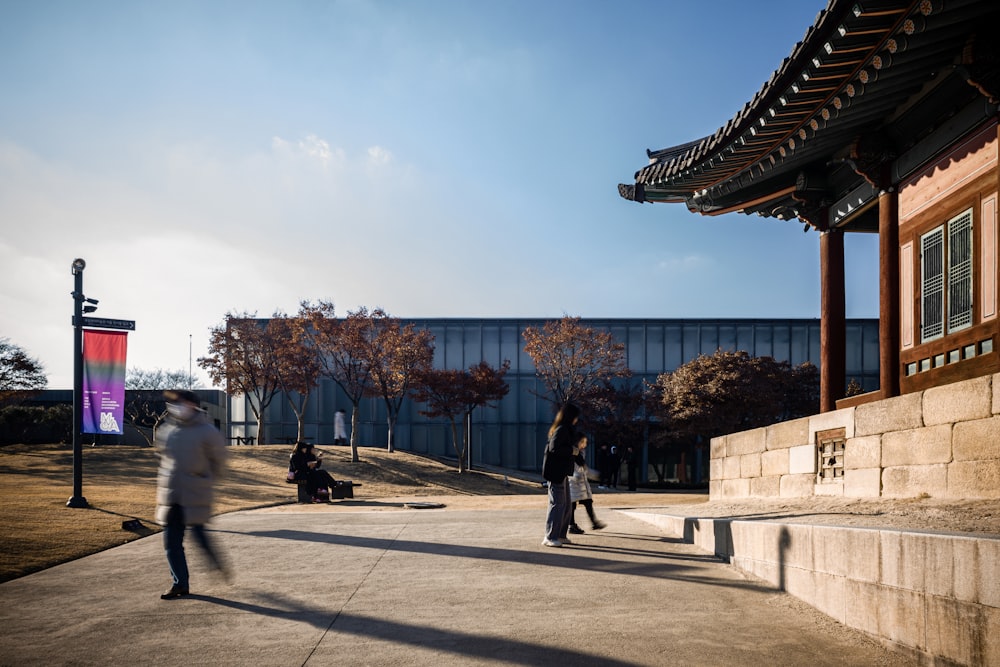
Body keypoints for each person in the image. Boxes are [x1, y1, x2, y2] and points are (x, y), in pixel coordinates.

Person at [155, 389, 229, 600]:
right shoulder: (167, 430)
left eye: (180, 402)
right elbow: (163, 460)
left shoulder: (207, 431)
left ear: (192, 405)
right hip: (172, 495)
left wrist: (205, 481)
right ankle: (180, 583)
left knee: (199, 536)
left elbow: (220, 461)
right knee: (171, 543)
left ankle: (216, 564)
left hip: (196, 493)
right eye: (173, 403)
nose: (175, 406)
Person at [541, 402, 580, 547]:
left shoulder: (565, 429)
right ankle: (550, 536)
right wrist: (572, 450)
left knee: (566, 504)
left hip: (561, 472)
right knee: (557, 504)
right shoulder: (561, 429)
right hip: (555, 472)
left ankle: (560, 535)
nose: (577, 420)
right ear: (571, 416)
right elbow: (554, 448)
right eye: (576, 417)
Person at [568, 433, 606, 534]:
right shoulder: (573, 452)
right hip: (573, 482)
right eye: (583, 442)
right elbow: (574, 468)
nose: (585, 444)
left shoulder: (581, 452)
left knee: (588, 502)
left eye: (585, 442)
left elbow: (584, 468)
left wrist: (592, 475)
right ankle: (571, 525)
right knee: (572, 505)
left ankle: (594, 522)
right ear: (577, 442)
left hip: (581, 482)